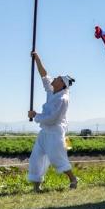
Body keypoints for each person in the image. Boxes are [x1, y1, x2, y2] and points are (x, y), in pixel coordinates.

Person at [27, 51, 78, 191]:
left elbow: (53, 118)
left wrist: (36, 115)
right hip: (44, 132)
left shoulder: (63, 99)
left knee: (57, 159)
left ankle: (73, 179)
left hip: (55, 132)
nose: (53, 79)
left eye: (57, 78)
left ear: (62, 84)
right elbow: (44, 74)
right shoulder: (51, 90)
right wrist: (37, 58)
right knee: (36, 158)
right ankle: (37, 187)